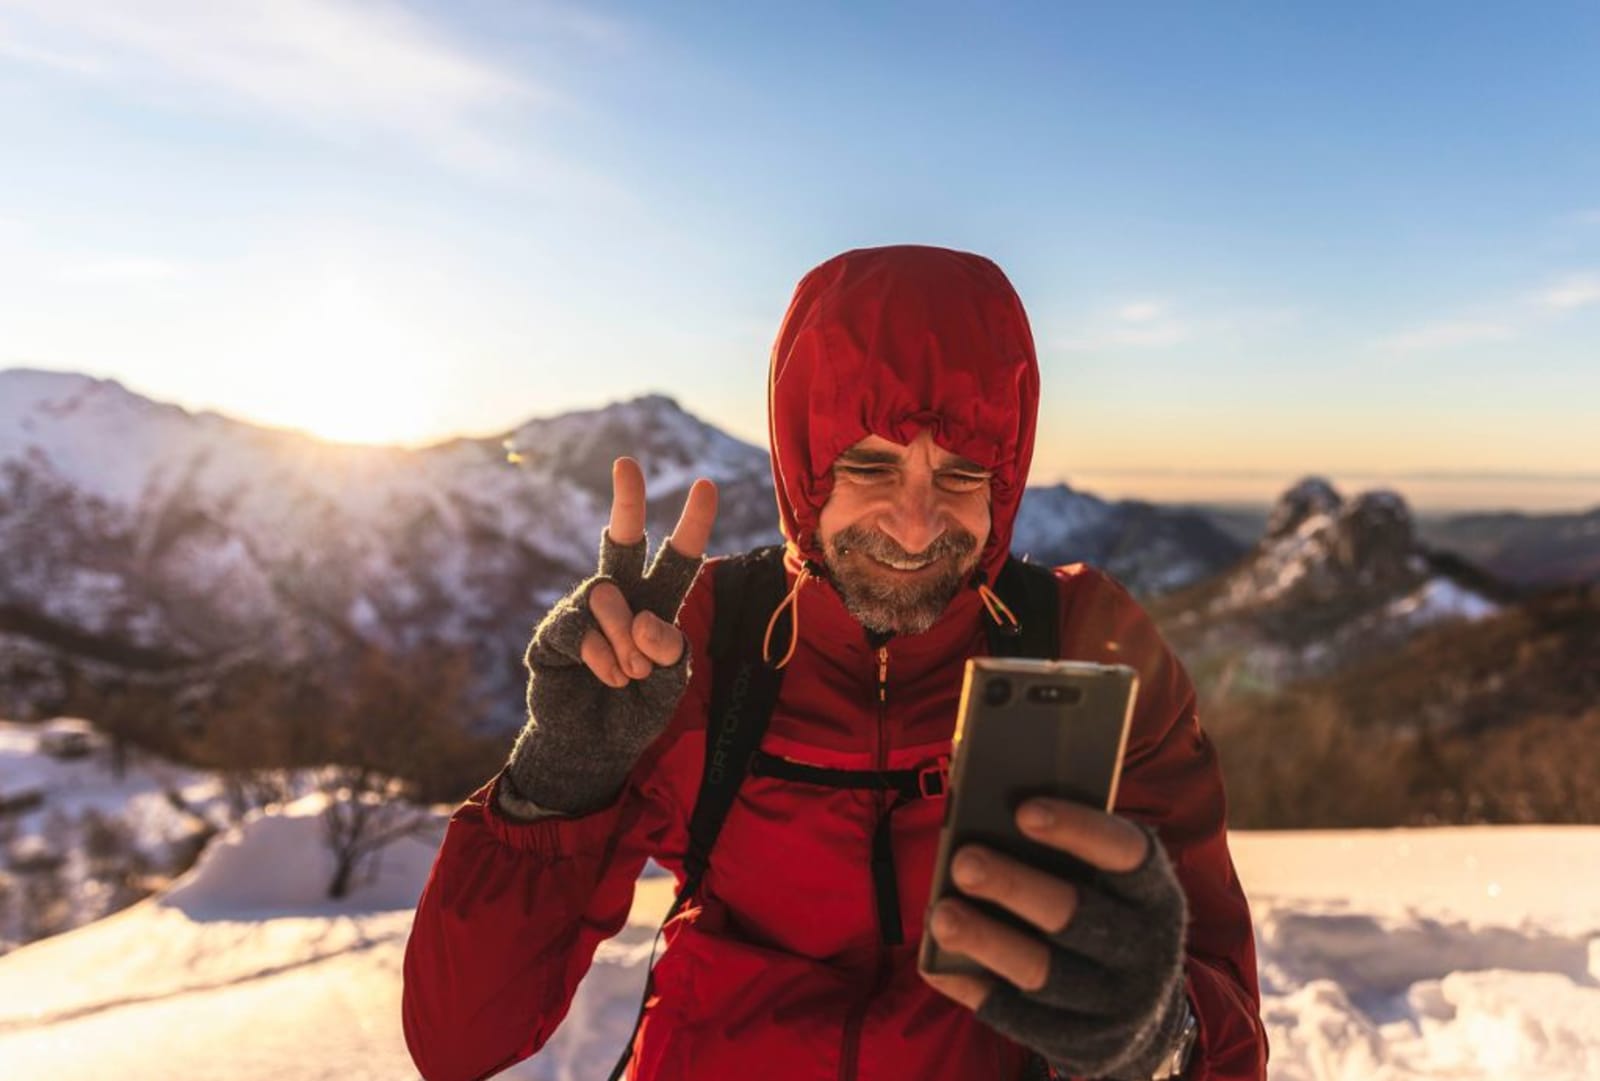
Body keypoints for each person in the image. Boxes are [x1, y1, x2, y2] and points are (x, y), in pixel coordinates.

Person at [403, 245, 1268, 1081]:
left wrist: (1159, 1039)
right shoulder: (695, 642)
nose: (917, 523)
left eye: (963, 473)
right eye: (870, 465)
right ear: (804, 465)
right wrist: (557, 780)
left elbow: (1221, 1014)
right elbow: (459, 1041)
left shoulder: (1084, 640)